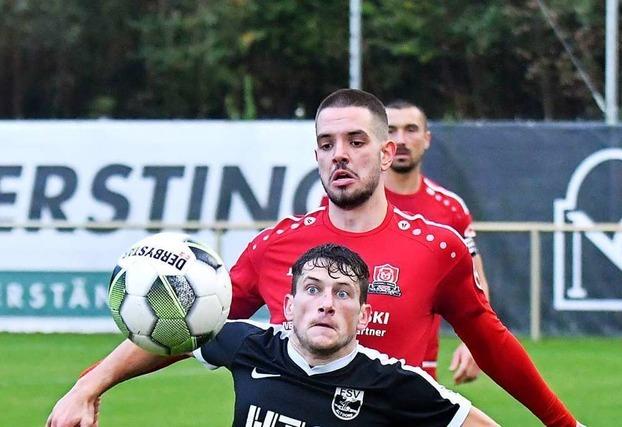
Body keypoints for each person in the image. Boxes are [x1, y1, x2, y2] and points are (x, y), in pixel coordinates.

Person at [47, 88, 582, 427]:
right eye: (327, 144)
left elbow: (491, 341)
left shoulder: (436, 245)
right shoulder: (276, 245)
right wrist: (88, 385)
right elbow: (189, 323)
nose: (340, 155)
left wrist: (561, 423)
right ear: (316, 155)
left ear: (386, 152)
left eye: (355, 141)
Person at [48, 244, 498, 427]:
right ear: (288, 305)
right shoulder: (248, 344)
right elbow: (174, 335)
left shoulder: (396, 382)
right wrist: (87, 388)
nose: (326, 303)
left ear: (363, 315)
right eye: (313, 290)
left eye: (344, 294)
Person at [384, 99, 489, 383]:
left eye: (411, 129)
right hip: (352, 355)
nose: (401, 140)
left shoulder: (450, 209)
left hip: (419, 364)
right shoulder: (349, 201)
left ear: (427, 139)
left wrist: (475, 342)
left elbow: (475, 280)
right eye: (391, 130)